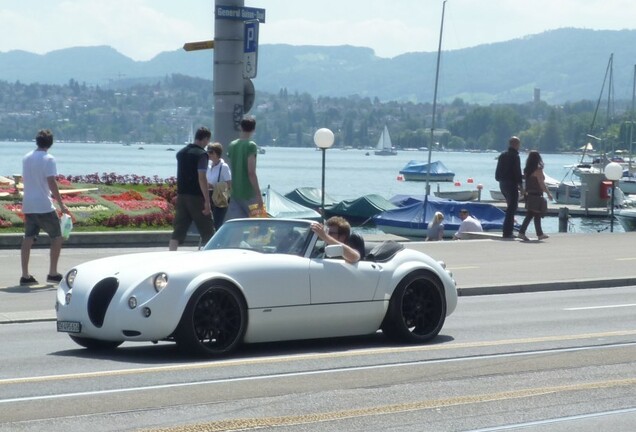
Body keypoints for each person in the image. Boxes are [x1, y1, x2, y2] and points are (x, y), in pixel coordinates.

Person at [20, 129, 70, 286]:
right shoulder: (49, 159)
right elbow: (51, 182)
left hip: (28, 203)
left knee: (28, 238)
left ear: (37, 141)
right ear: (50, 143)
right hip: (43, 205)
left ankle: (25, 275)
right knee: (57, 237)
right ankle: (53, 273)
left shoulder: (26, 157)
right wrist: (61, 204)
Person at [168, 127, 214, 251]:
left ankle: (171, 255)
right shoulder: (202, 155)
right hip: (196, 196)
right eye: (208, 141)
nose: (207, 144)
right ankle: (213, 256)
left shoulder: (181, 153)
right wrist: (207, 201)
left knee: (178, 230)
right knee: (207, 230)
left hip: (182, 195)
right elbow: (202, 178)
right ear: (205, 139)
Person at [225, 116, 264, 221]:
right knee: (256, 225)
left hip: (235, 192)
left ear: (240, 127)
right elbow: (251, 172)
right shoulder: (251, 146)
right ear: (253, 130)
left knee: (238, 225)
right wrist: (259, 195)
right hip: (249, 193)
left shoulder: (232, 145)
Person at [518, 151, 553, 241]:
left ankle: (539, 233)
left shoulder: (527, 170)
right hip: (537, 194)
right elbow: (541, 183)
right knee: (532, 214)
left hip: (530, 194)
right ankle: (522, 232)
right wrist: (548, 193)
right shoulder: (538, 169)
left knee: (534, 213)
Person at [495, 136, 524, 239]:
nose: (519, 146)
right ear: (515, 144)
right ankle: (507, 232)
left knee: (510, 207)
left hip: (502, 183)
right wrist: (521, 186)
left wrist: (499, 179)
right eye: (519, 144)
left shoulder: (502, 155)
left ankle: (508, 231)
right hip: (511, 184)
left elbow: (498, 171)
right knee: (512, 208)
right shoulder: (515, 156)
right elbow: (517, 172)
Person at [205, 142, 232, 231]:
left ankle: (218, 243)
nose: (209, 154)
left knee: (217, 223)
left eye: (211, 152)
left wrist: (213, 186)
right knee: (208, 224)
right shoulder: (209, 166)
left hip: (220, 197)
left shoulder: (224, 167)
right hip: (209, 196)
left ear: (217, 153)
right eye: (207, 152)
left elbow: (229, 184)